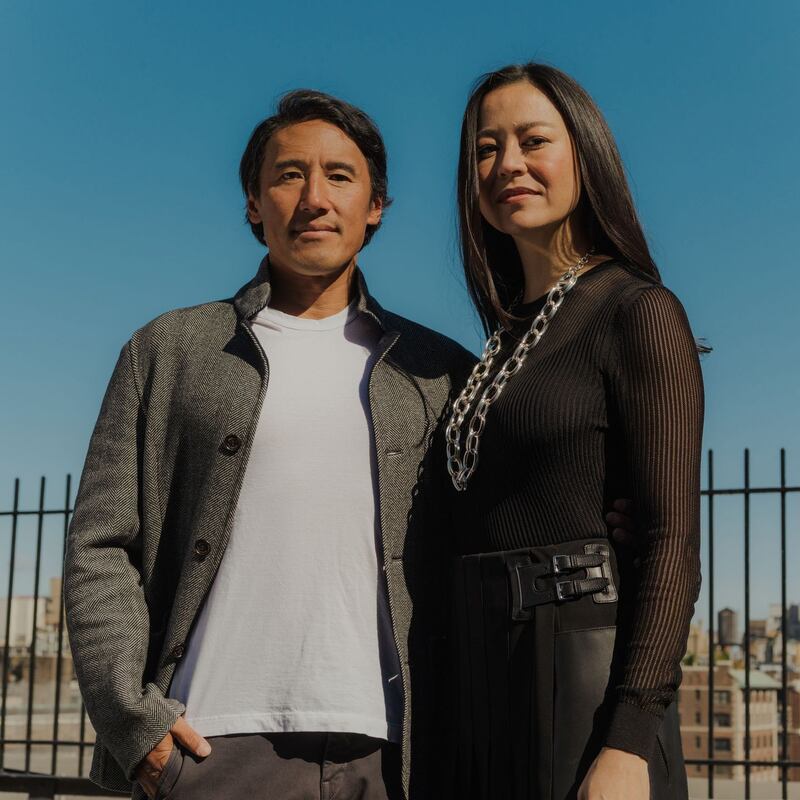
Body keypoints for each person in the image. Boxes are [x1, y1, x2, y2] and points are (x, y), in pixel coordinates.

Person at [63, 86, 638, 800]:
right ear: (253, 203)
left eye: (340, 176)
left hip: (396, 753)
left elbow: (499, 520)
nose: (313, 198)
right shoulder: (168, 351)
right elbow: (100, 544)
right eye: (287, 174)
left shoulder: (440, 371)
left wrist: (603, 514)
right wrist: (134, 723)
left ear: (375, 209)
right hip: (208, 745)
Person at [442, 63, 704, 800]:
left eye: (533, 140)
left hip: (580, 686)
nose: (507, 165)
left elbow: (671, 541)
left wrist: (628, 744)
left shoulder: (638, 311)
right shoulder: (498, 341)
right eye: (486, 149)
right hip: (476, 685)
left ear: (585, 153)